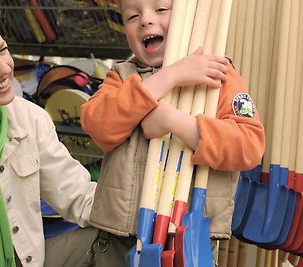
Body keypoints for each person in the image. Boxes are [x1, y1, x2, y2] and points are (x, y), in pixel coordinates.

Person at [81, 0, 265, 266]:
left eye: (161, 10)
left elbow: (249, 147)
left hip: (186, 243)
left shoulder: (219, 77)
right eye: (132, 16)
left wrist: (173, 121)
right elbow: (97, 125)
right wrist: (170, 77)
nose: (145, 20)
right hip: (119, 241)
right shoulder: (122, 77)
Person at [0, 2, 98, 266]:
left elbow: (78, 196)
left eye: (2, 50)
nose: (4, 68)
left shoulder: (29, 118)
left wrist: (151, 214)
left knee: (116, 239)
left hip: (25, 258)